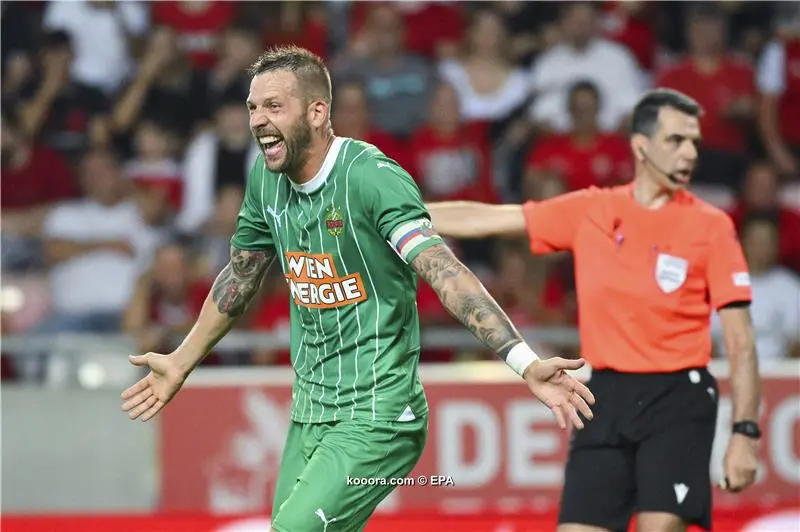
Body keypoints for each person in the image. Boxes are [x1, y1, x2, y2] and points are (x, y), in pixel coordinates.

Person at [120, 45, 595, 532]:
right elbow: (240, 276)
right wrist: (181, 360)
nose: (258, 120)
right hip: (311, 413)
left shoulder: (371, 177)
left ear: (318, 111)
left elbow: (444, 272)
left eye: (274, 107)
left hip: (379, 415)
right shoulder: (265, 177)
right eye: (253, 108)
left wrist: (525, 362)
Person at [427, 88, 761, 532]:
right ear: (642, 146)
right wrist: (396, 213)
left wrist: (745, 433)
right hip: (603, 396)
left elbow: (741, 342)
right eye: (676, 140)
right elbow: (487, 218)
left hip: (678, 397)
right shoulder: (594, 210)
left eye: (695, 142)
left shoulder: (711, 226)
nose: (690, 153)